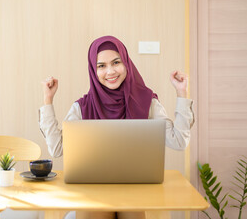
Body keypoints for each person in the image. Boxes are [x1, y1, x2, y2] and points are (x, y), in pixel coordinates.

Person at [39, 35, 194, 219]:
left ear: (126, 62)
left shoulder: (147, 102)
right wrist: (48, 100)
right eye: (101, 66)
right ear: (93, 70)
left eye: (116, 62)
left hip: (135, 188)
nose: (110, 71)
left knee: (131, 209)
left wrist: (181, 93)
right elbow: (57, 149)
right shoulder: (82, 107)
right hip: (93, 189)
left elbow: (179, 142)